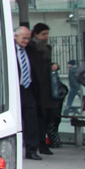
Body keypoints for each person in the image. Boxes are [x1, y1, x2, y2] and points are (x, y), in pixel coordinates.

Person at [27, 23, 54, 156]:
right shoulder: (30, 47)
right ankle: (35, 144)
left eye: (47, 34)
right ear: (36, 34)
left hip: (45, 87)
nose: (45, 37)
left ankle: (43, 143)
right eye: (43, 34)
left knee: (45, 116)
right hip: (34, 86)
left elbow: (47, 65)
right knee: (34, 117)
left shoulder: (47, 48)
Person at [15, 26, 42, 160]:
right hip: (15, 90)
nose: (26, 41)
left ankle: (31, 150)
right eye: (23, 38)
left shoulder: (30, 50)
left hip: (28, 89)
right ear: (15, 36)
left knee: (31, 120)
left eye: (28, 38)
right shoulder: (8, 51)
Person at [48, 63, 66, 149]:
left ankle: (55, 142)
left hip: (54, 104)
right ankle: (55, 142)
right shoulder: (51, 75)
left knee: (53, 122)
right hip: (54, 105)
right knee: (53, 122)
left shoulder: (53, 76)